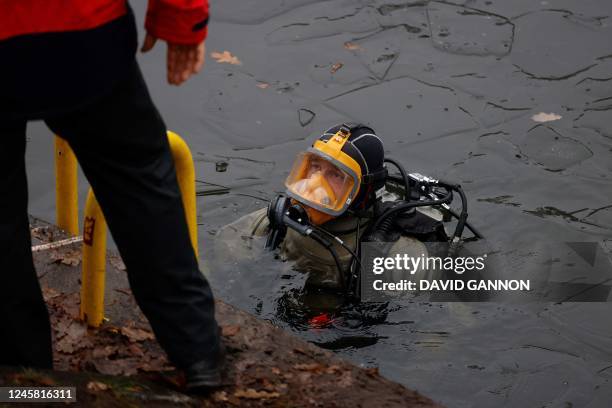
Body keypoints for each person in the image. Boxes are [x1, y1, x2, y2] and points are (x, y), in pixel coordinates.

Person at [0, 0, 223, 391]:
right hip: (79, 27)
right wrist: (181, 20)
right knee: (137, 178)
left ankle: (24, 378)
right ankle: (197, 352)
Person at [214, 123, 452, 301]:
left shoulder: (395, 254)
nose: (315, 184)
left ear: (363, 189)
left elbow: (456, 313)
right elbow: (222, 246)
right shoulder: (282, 219)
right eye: (315, 167)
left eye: (336, 175)